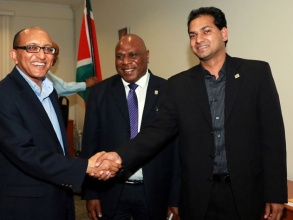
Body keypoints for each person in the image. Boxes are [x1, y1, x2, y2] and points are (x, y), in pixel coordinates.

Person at [96, 7, 287, 220]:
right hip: (198, 198)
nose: (198, 39)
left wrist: (276, 193)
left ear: (224, 33)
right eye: (192, 35)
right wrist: (119, 156)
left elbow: (273, 139)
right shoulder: (179, 85)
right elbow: (157, 132)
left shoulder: (256, 74)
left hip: (246, 195)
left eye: (206, 31)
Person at [0, 26, 120, 220]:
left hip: (59, 197)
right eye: (32, 48)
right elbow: (24, 154)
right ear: (14, 55)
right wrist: (85, 167)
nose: (41, 55)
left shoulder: (50, 91)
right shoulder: (1, 95)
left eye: (48, 49)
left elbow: (56, 147)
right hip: (25, 207)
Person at [81, 34, 181, 220]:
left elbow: (176, 150)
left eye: (133, 55)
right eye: (120, 56)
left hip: (155, 193)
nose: (126, 62)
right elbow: (90, 144)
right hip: (111, 192)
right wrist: (91, 193)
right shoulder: (99, 93)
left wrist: (175, 198)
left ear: (147, 55)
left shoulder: (169, 91)